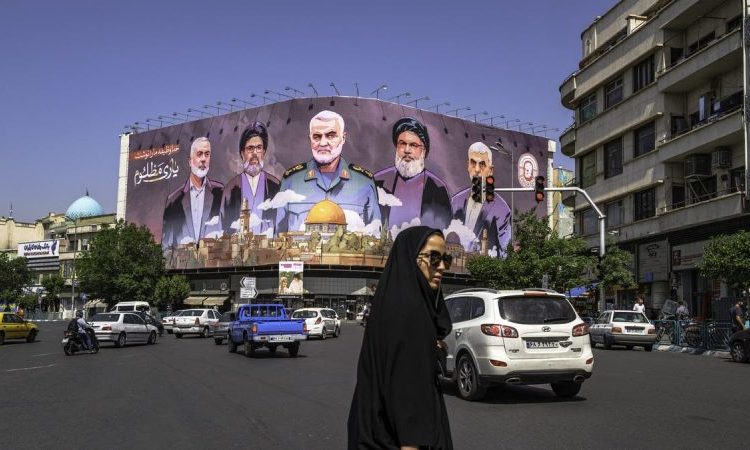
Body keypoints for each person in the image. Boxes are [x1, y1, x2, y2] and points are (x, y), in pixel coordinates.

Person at [348, 226, 453, 449]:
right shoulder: (410, 314)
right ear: (410, 259)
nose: (442, 267)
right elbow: (408, 408)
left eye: (446, 259)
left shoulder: (393, 305)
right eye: (433, 258)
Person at [276, 110, 380, 233]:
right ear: (310, 139)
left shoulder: (365, 183)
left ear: (343, 138)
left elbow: (376, 236)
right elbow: (278, 237)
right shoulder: (290, 181)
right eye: (317, 136)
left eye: (330, 135)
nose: (323, 143)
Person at [374, 118, 451, 231]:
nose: (407, 150)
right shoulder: (378, 181)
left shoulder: (438, 188)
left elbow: (442, 231)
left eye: (413, 145)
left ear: (424, 151)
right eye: (402, 144)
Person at [451, 142, 512, 257]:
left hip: (485, 266)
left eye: (482, 164)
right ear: (468, 165)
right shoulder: (455, 202)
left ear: (491, 170)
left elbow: (504, 252)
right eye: (473, 163)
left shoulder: (502, 210)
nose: (477, 169)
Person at [161, 137, 224, 248]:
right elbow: (167, 245)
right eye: (199, 154)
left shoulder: (220, 192)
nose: (203, 159)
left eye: (207, 154)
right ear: (190, 161)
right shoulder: (174, 200)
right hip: (184, 258)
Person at [220, 122, 281, 236]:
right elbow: (223, 229)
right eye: (250, 148)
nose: (254, 153)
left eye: (259, 148)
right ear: (242, 154)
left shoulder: (275, 186)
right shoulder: (230, 190)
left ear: (263, 153)